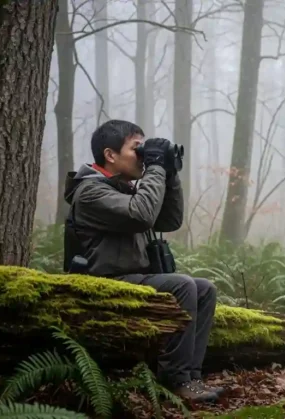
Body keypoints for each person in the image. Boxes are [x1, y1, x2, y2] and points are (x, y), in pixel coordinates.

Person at [62, 119, 225, 403]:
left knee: (204, 289)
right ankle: (174, 380)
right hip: (102, 282)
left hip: (131, 277)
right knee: (183, 285)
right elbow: (142, 215)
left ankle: (192, 376)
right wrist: (156, 167)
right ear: (110, 155)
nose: (143, 156)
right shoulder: (90, 192)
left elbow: (168, 219)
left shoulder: (123, 188)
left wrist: (169, 174)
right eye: (137, 149)